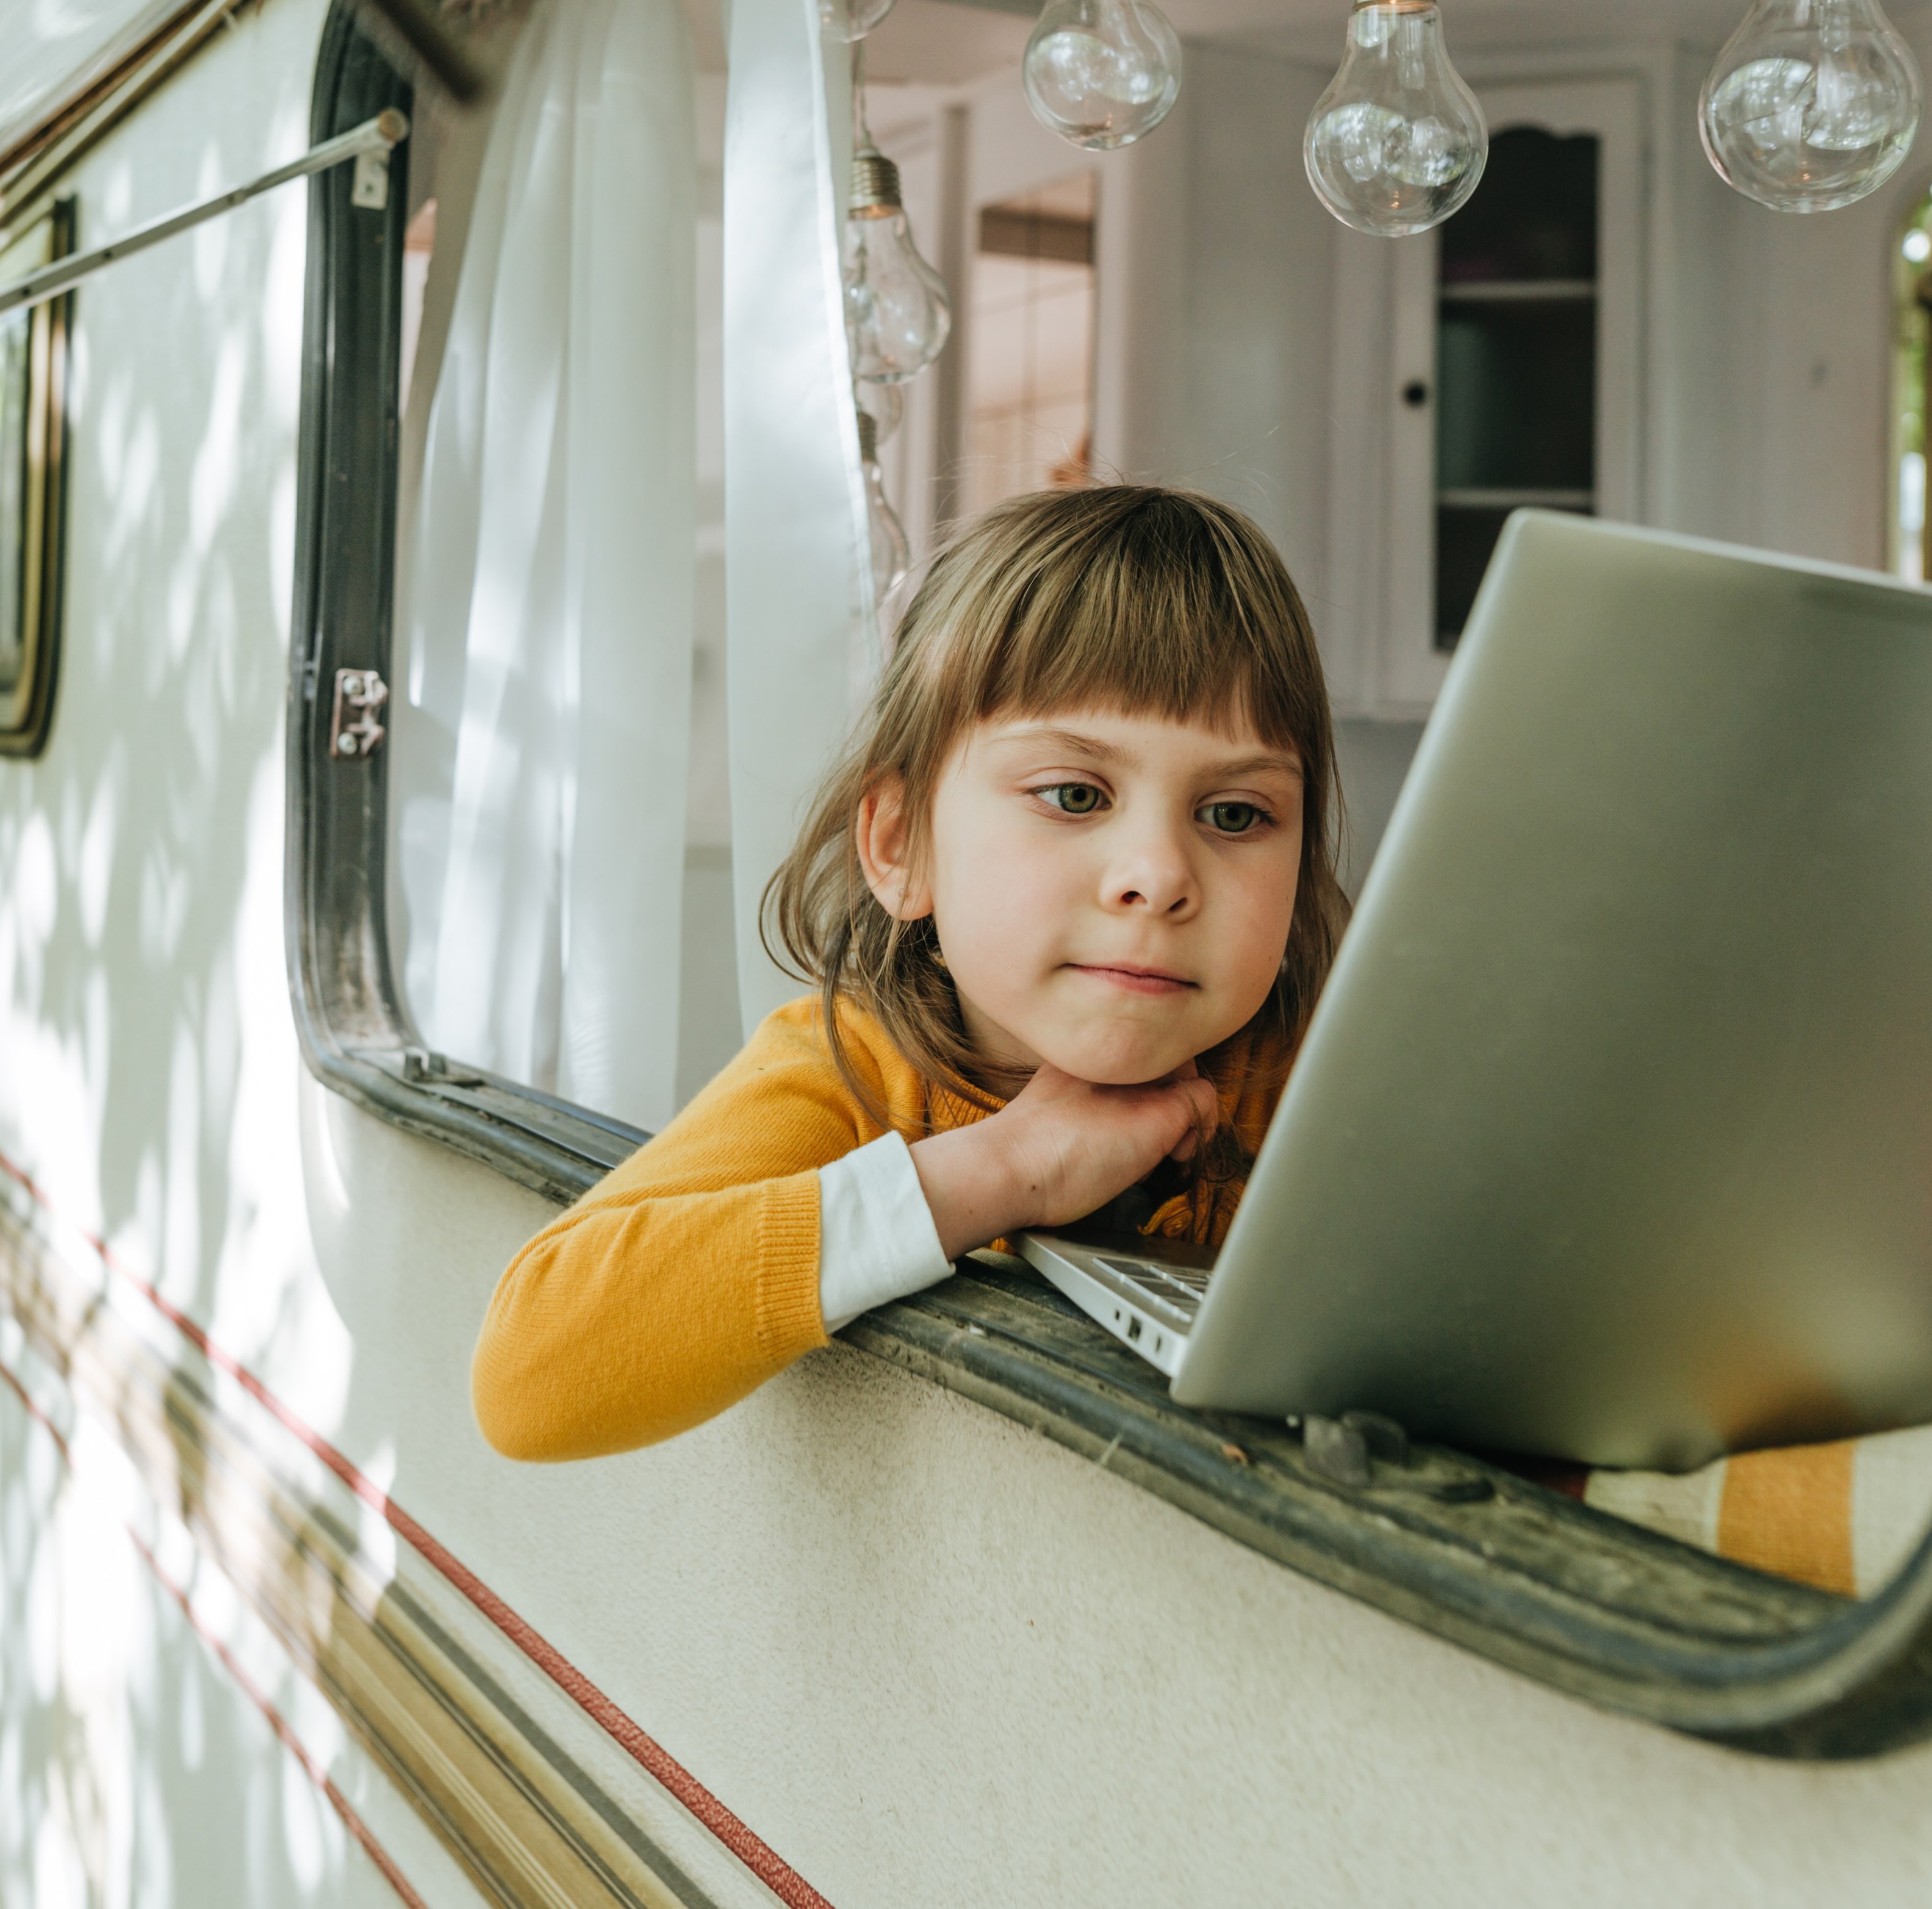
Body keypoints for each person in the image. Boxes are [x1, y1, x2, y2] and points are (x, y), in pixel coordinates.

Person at [472, 484, 1347, 1461]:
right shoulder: (852, 1065)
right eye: (1073, 794)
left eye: (1235, 815)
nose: (1160, 876)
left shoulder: (1324, 1083)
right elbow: (532, 1375)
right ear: (900, 846)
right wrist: (1008, 1171)